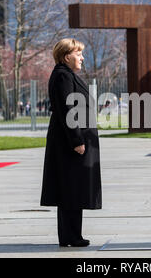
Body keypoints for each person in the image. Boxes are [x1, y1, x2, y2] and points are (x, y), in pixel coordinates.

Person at [40, 38, 102, 247]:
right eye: (78, 53)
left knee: (73, 188)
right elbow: (68, 110)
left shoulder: (67, 75)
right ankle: (70, 236)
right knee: (70, 188)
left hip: (72, 140)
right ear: (67, 56)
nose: (82, 57)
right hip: (70, 143)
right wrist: (77, 140)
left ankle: (72, 235)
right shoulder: (62, 77)